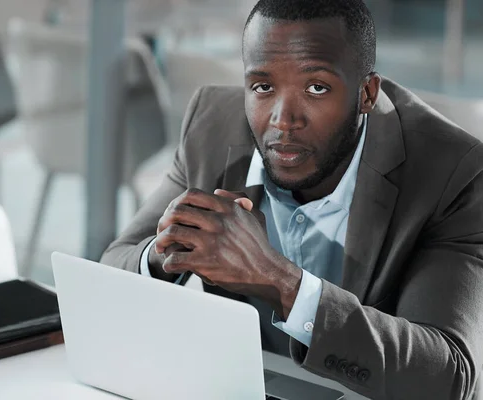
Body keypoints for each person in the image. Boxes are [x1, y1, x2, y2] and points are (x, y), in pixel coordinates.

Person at [100, 0, 483, 398]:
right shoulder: (211, 123)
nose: (284, 119)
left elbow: (449, 377)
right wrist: (165, 254)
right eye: (263, 87)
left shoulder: (455, 172)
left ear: (367, 94)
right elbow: (113, 266)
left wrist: (280, 282)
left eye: (316, 88)